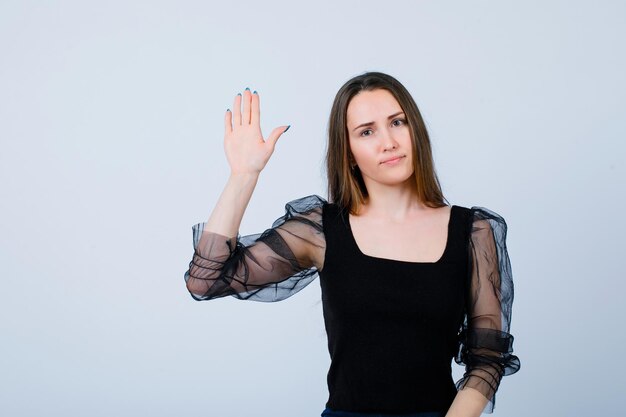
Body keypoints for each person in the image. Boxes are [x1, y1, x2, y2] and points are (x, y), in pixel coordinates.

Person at [184, 72, 520, 417]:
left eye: (398, 122)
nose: (388, 142)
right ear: (348, 153)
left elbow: (487, 360)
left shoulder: (473, 231)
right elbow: (206, 280)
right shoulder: (321, 230)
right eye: (367, 131)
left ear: (415, 130)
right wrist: (244, 175)